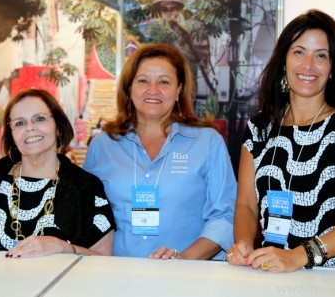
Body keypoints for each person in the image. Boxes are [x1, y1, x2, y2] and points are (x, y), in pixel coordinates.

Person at [227, 9, 335, 272]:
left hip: (334, 278)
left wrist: (299, 256)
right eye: (299, 52)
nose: (308, 65)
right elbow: (245, 205)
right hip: (270, 272)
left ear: (333, 68)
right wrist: (243, 243)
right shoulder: (259, 129)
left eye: (321, 55)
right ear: (284, 60)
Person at [83, 43, 236, 260]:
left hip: (189, 280)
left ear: (178, 91)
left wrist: (183, 259)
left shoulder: (208, 143)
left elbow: (225, 217)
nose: (153, 89)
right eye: (143, 80)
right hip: (118, 276)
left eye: (164, 81)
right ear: (129, 89)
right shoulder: (103, 145)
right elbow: (88, 215)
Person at [0, 88, 116, 258]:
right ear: (12, 134)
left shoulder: (87, 188)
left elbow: (102, 256)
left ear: (57, 126)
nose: (30, 128)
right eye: (19, 123)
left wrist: (61, 247)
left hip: (61, 285)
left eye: (39, 119)